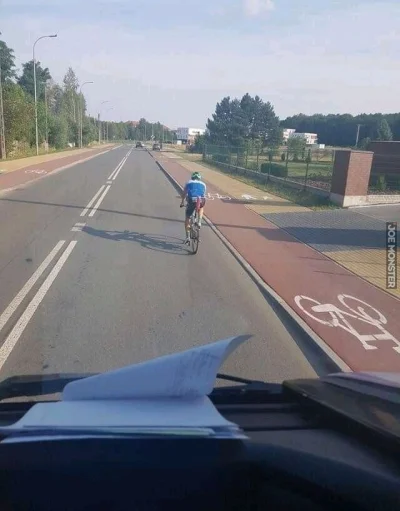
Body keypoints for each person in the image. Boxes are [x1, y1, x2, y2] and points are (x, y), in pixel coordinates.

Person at [180, 171, 206, 244]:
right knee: (201, 207)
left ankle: (188, 237)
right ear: (199, 178)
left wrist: (182, 202)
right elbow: (203, 194)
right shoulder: (203, 184)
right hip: (201, 200)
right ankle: (199, 222)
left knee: (187, 218)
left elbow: (184, 193)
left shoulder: (188, 182)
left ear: (192, 177)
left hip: (191, 200)